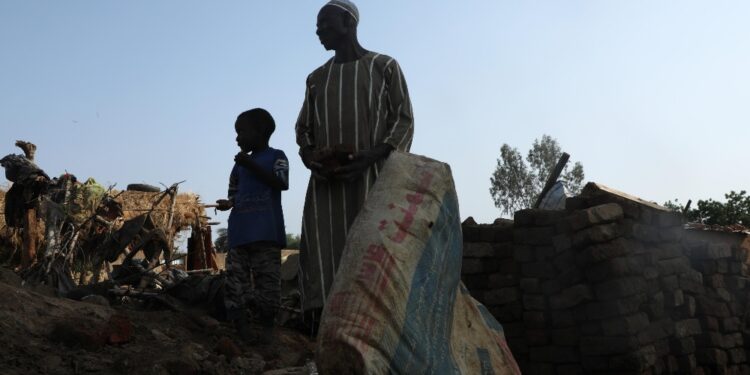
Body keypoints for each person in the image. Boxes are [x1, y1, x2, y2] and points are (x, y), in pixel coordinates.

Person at [295, 0, 414, 326]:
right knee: (324, 254)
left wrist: (370, 157)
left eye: (325, 24)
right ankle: (322, 330)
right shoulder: (316, 79)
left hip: (374, 180)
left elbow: (403, 121)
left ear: (348, 23)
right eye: (317, 27)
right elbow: (303, 129)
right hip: (326, 187)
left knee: (374, 251)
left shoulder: (385, 67)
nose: (319, 32)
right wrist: (310, 158)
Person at [216, 108, 289, 343]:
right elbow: (235, 193)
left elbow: (281, 183)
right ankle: (242, 332)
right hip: (239, 235)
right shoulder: (238, 166)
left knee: (268, 287)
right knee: (235, 286)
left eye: (241, 132)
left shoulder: (277, 156)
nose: (237, 138)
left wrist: (251, 165)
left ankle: (268, 332)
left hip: (266, 235)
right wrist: (229, 203)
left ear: (261, 132)